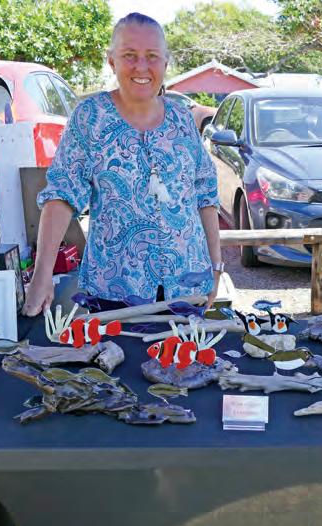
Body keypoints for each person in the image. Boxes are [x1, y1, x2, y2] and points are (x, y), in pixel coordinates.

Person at [22, 12, 222, 317]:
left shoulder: (182, 118)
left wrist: (215, 265)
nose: (141, 66)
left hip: (188, 286)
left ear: (165, 63)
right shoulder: (90, 117)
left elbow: (205, 194)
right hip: (115, 292)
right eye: (130, 55)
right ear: (112, 61)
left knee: (189, 350)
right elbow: (62, 195)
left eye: (152, 56)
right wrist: (42, 274)